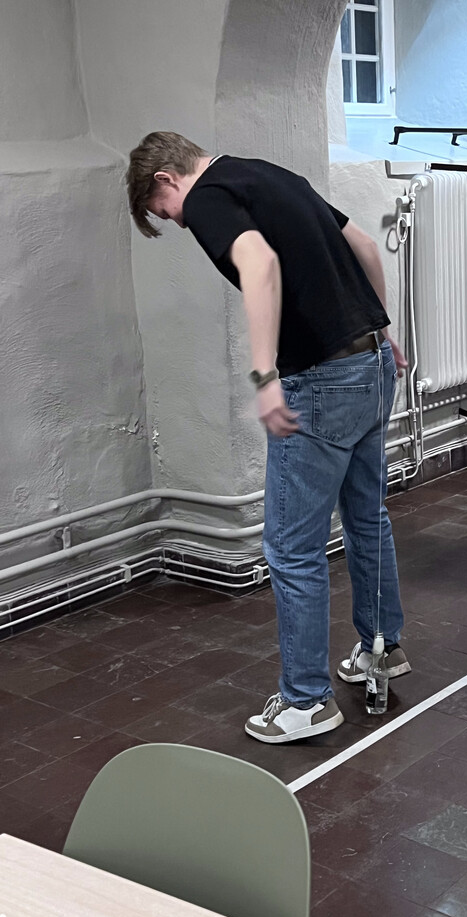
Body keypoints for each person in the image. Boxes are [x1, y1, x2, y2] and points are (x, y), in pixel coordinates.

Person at [127, 132, 411, 743]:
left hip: (322, 380)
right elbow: (364, 244)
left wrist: (264, 376)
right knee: (367, 519)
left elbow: (260, 264)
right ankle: (381, 649)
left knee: (291, 547)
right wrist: (380, 329)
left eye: (163, 212)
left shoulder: (205, 196)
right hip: (371, 364)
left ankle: (306, 702)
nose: (176, 222)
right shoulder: (269, 174)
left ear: (166, 179)